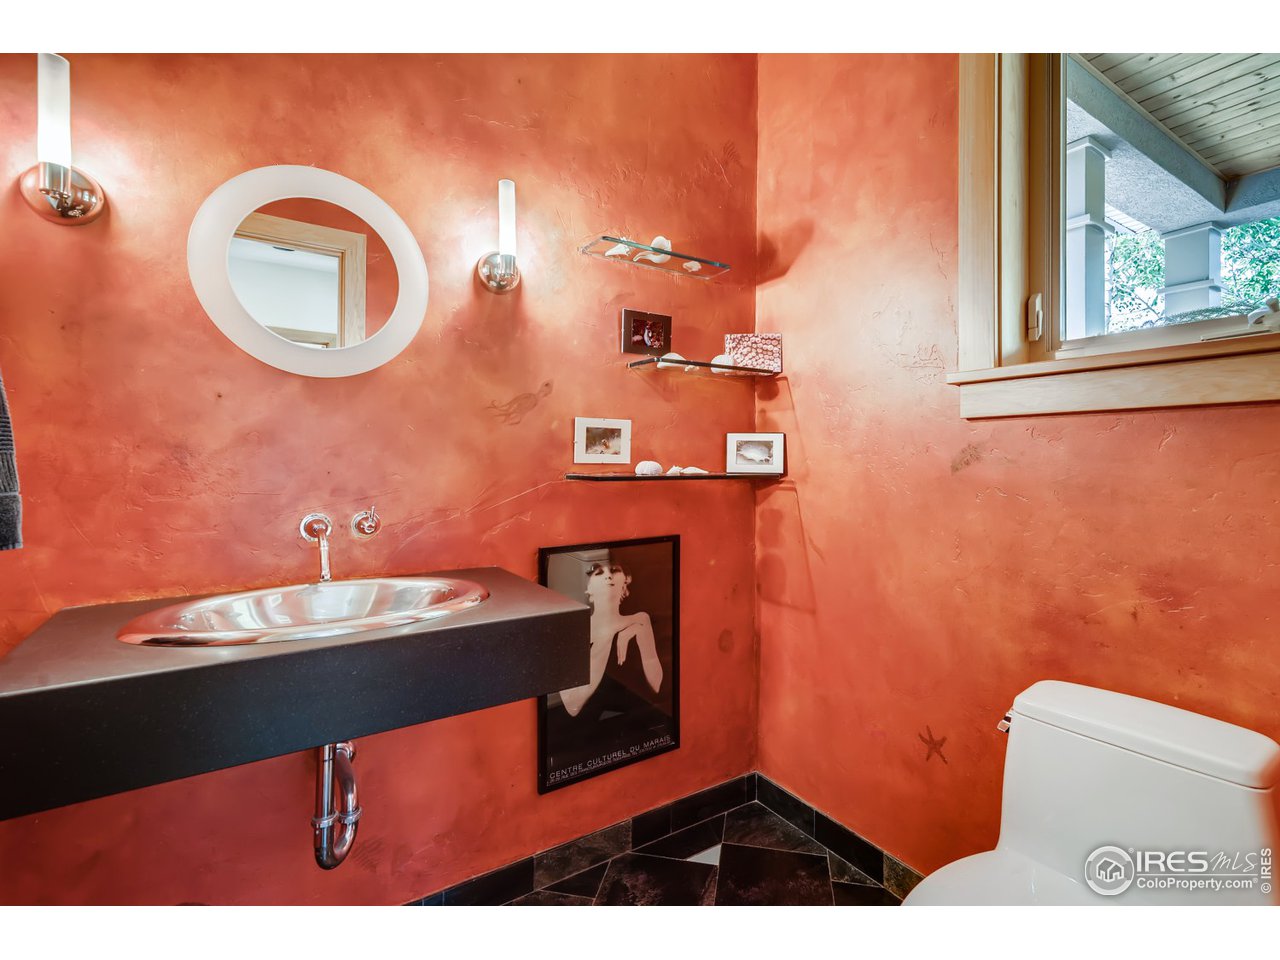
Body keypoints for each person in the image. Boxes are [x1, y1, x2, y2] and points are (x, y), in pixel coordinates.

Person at [558, 561, 663, 717]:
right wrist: (607, 634)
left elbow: (656, 687)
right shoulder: (575, 630)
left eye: (614, 571)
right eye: (599, 573)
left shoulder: (640, 622)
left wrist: (644, 629)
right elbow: (572, 704)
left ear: (624, 585)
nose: (608, 575)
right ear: (589, 591)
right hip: (588, 729)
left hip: (635, 721)